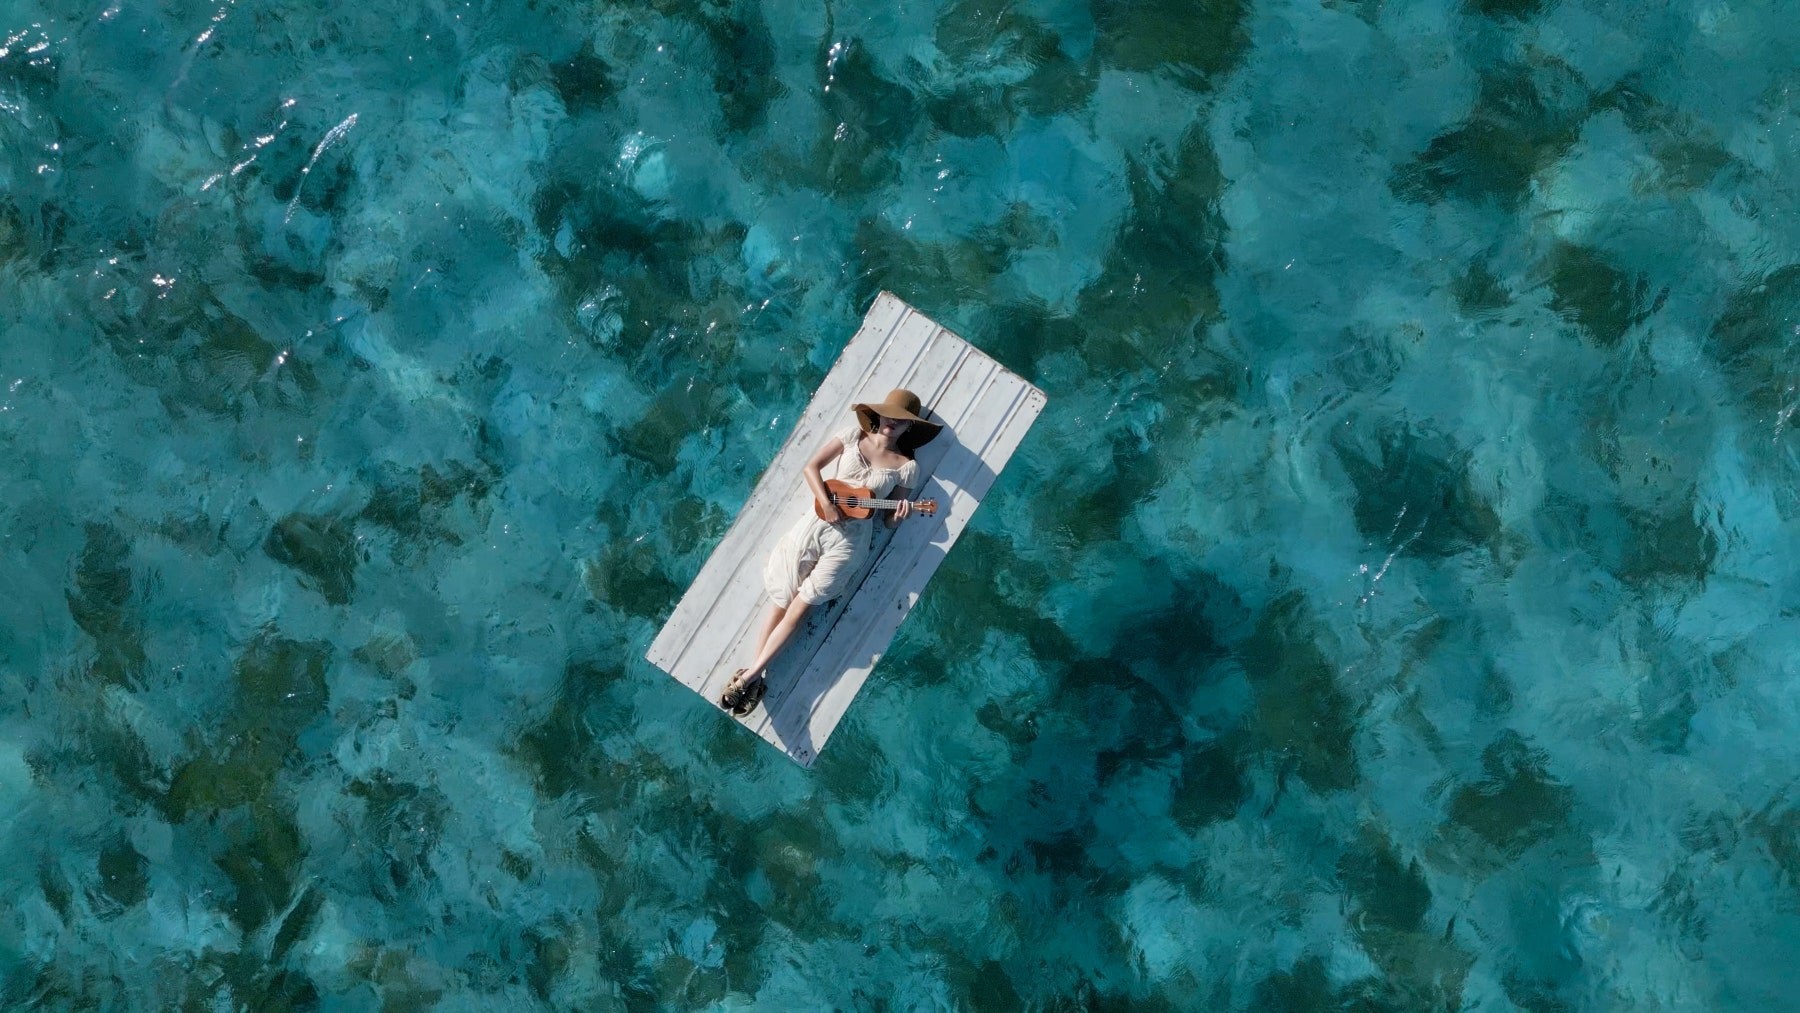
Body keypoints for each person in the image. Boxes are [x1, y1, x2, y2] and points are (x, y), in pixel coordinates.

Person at [720, 389, 942, 716]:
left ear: (910, 427)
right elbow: (811, 468)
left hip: (851, 543)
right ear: (878, 414)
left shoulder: (907, 467)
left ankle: (747, 678)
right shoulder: (852, 436)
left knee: (801, 607)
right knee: (782, 598)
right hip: (817, 522)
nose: (892, 422)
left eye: (902, 420)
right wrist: (826, 503)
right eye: (889, 414)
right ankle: (756, 677)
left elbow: (888, 521)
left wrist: (901, 514)